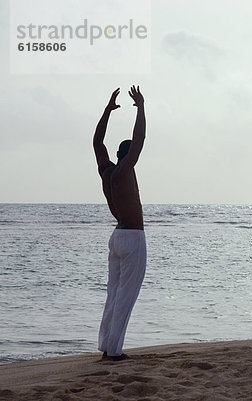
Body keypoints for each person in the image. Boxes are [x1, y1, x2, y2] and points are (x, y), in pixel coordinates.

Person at [93, 86, 146, 361]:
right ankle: (114, 352)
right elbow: (139, 140)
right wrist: (141, 107)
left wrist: (107, 111)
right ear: (129, 156)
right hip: (133, 237)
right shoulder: (126, 169)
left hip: (116, 238)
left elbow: (97, 143)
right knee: (125, 296)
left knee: (113, 294)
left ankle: (105, 345)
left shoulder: (107, 171)